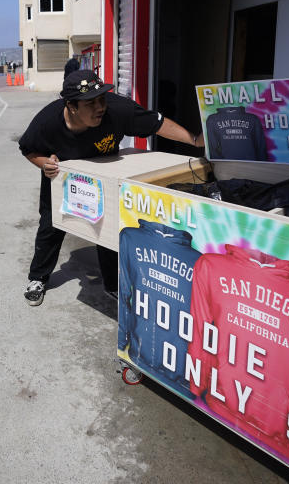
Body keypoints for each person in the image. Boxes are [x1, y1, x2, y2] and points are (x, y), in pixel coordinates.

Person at [18, 69, 204, 306]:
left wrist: (195, 139)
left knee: (108, 227)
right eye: (91, 103)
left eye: (102, 99)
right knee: (50, 226)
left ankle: (112, 284)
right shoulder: (47, 122)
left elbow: (157, 124)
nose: (100, 107)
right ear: (72, 106)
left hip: (104, 176)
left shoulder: (117, 109)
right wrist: (45, 164)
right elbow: (28, 149)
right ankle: (38, 278)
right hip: (63, 179)